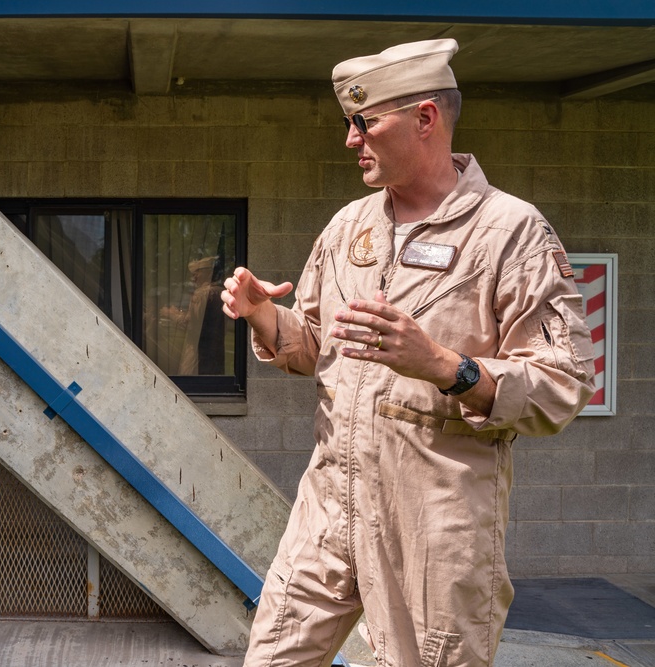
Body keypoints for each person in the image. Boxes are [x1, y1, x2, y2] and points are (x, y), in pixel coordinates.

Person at [221, 39, 595, 667]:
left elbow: (563, 386)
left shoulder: (510, 232)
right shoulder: (350, 227)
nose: (350, 139)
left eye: (364, 122)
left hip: (435, 523)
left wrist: (449, 368)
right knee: (272, 657)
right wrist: (264, 314)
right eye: (348, 123)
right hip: (330, 503)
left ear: (425, 118)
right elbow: (318, 347)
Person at [161, 256, 226, 375]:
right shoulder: (220, 291)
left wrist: (169, 313)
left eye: (197, 273)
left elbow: (189, 324)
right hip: (214, 353)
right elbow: (201, 319)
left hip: (198, 354)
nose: (193, 277)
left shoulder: (202, 294)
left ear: (208, 273)